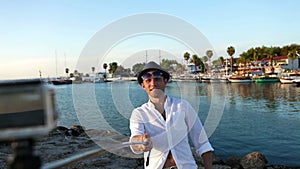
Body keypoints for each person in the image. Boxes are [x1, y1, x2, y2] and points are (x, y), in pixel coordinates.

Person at [129, 61, 214, 169]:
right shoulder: (139, 113)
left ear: (165, 81)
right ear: (143, 85)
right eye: (148, 80)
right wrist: (140, 142)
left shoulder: (183, 106)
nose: (153, 83)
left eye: (157, 79)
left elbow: (202, 142)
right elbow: (135, 140)